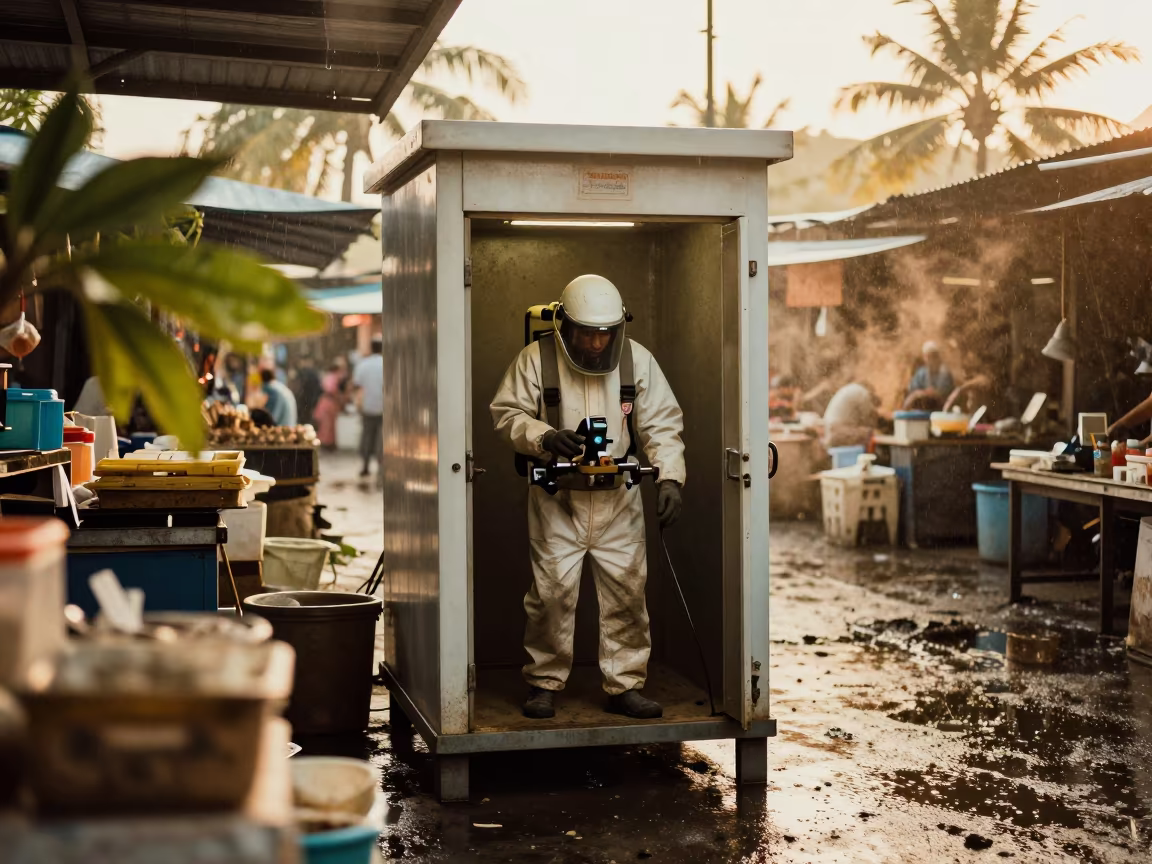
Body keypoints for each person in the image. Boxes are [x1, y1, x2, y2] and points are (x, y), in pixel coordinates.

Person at [490, 274, 686, 721]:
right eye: (586, 333)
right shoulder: (536, 359)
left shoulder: (638, 361)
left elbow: (661, 423)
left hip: (619, 500)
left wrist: (671, 478)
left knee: (627, 593)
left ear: (619, 328)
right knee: (551, 594)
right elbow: (507, 413)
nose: (596, 344)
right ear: (564, 325)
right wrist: (544, 436)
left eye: (605, 334)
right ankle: (543, 683)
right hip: (558, 499)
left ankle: (626, 684)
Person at [352, 338, 384, 478]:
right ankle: (381, 468)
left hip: (368, 407)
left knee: (367, 436)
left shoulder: (363, 364)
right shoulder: (386, 364)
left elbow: (357, 385)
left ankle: (365, 466)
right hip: (384, 408)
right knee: (382, 438)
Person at [823, 380, 880, 448]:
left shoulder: (852, 389)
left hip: (830, 430)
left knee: (864, 433)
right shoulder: (863, 392)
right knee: (869, 434)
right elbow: (869, 416)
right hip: (838, 430)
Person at [905, 341, 955, 408]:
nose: (931, 359)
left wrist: (931, 394)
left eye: (934, 356)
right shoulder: (921, 373)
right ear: (924, 357)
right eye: (928, 356)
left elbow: (944, 394)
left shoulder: (944, 373)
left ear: (938, 357)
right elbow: (913, 391)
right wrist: (923, 393)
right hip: (922, 406)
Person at [313, 360, 347, 450]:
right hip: (329, 403)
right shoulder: (334, 377)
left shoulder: (328, 376)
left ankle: (325, 443)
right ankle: (326, 444)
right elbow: (332, 390)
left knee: (326, 425)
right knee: (327, 425)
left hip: (326, 402)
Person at [293, 353, 323, 429]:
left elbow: (296, 388)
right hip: (310, 403)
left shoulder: (301, 373)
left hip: (301, 403)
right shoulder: (314, 374)